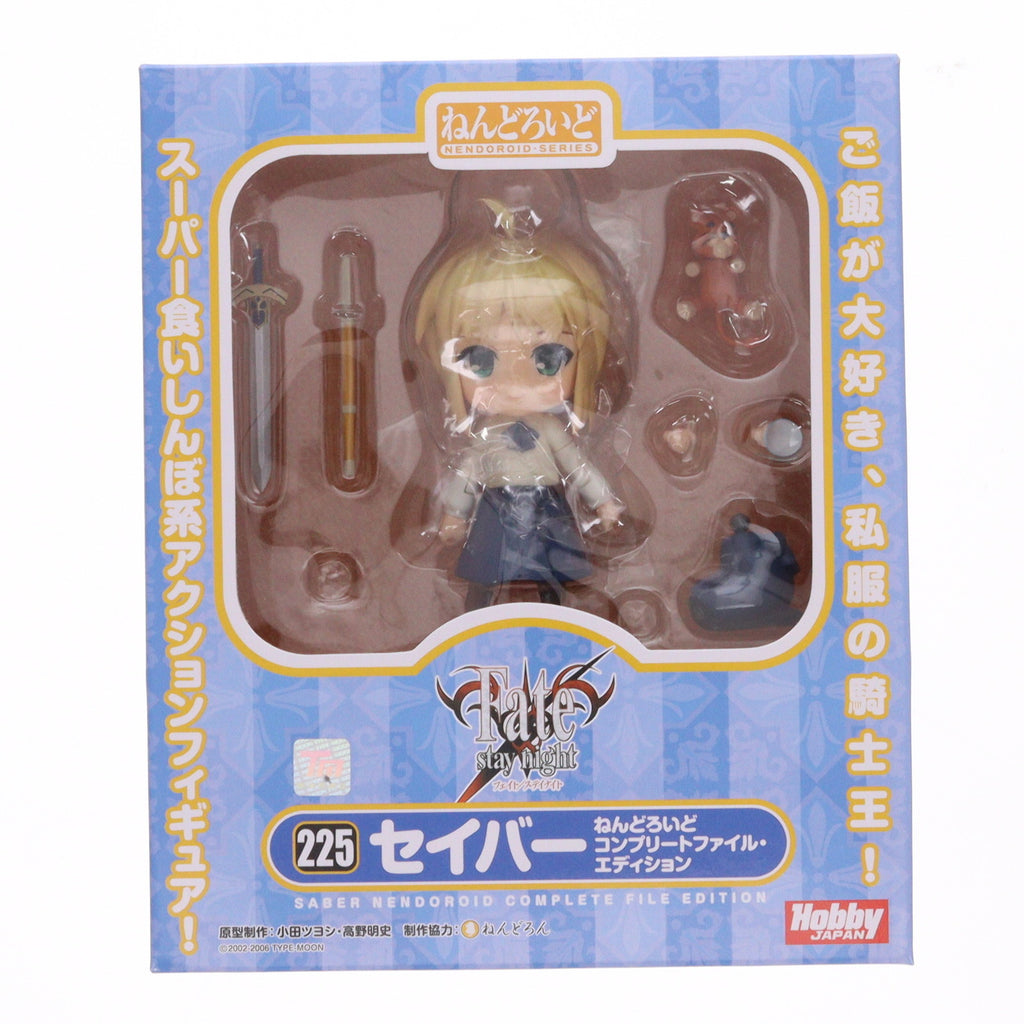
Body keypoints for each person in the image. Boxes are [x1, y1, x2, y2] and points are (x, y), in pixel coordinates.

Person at [412, 196, 624, 610]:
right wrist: (455, 514)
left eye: (548, 359)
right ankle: (477, 612)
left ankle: (553, 612)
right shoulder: (487, 435)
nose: (516, 382)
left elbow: (577, 465)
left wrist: (602, 500)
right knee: (485, 571)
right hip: (495, 510)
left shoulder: (550, 430)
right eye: (481, 360)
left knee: (550, 572)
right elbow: (468, 475)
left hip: (547, 507)